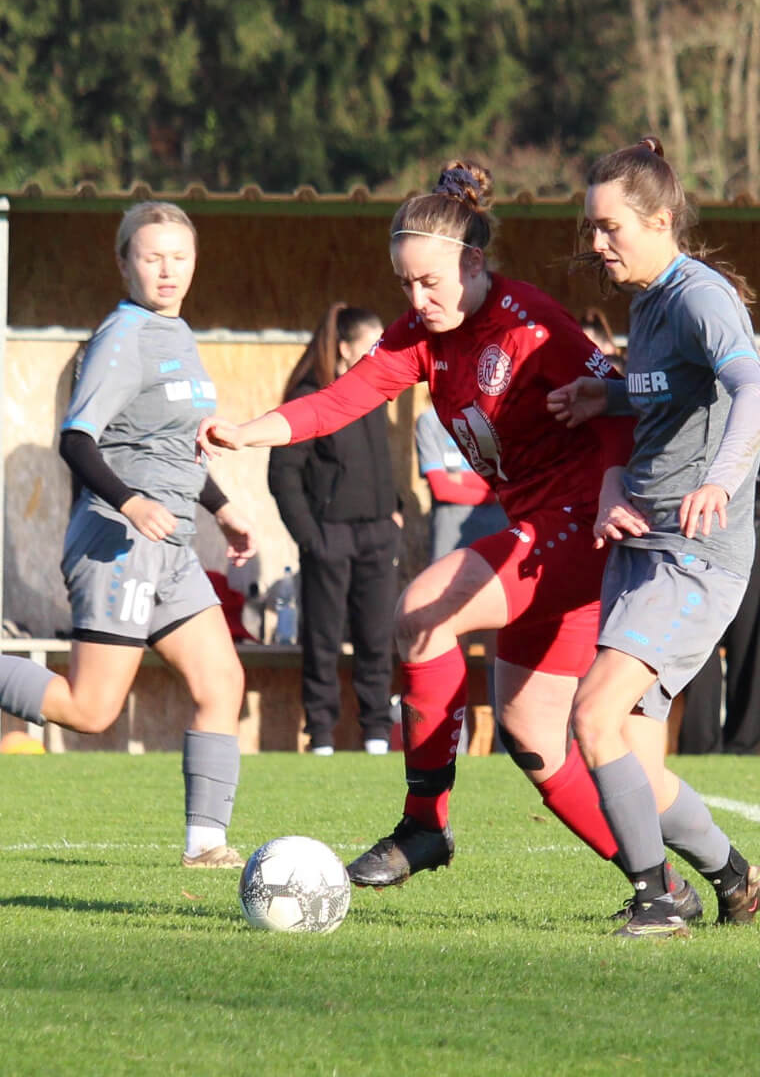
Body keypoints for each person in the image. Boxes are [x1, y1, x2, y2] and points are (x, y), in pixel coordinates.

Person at [199, 161, 644, 908]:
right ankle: (664, 882)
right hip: (537, 529)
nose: (417, 300)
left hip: (579, 529)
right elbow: (338, 400)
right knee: (532, 735)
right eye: (405, 284)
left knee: (421, 612)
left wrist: (611, 485)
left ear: (473, 263)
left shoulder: (531, 323)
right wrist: (249, 432)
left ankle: (424, 826)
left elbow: (620, 409)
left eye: (430, 282)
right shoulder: (419, 336)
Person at [0, 200, 255, 868]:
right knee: (90, 708)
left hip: (168, 547)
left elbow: (170, 449)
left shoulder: (178, 334)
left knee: (222, 681)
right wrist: (131, 502)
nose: (167, 270)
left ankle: (205, 846)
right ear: (124, 263)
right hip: (116, 541)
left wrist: (221, 507)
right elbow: (76, 441)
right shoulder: (122, 336)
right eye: (152, 257)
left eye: (179, 257)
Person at [549, 136, 760, 940]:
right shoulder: (647, 303)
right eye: (591, 227)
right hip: (641, 546)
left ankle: (658, 899)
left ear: (659, 221)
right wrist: (608, 395)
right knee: (639, 769)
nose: (596, 242)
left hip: (695, 552)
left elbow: (752, 392)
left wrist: (721, 479)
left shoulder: (699, 297)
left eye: (609, 226)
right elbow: (665, 394)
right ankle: (737, 881)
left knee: (592, 715)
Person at [267, 304, 401, 756]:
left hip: (376, 535)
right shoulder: (311, 395)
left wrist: (394, 510)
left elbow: (380, 461)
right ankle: (321, 735)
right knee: (322, 641)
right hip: (329, 537)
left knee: (376, 639)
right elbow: (283, 473)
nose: (380, 352)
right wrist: (312, 538)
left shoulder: (374, 393)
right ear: (345, 349)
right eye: (372, 345)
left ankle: (377, 734)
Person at [675, 428, 760, 755]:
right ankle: (700, 745)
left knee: (750, 644)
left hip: (750, 534)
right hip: (696, 537)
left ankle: (745, 746)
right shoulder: (686, 419)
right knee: (697, 642)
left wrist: (715, 481)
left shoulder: (746, 414)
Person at [413, 404, 508, 562]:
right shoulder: (430, 421)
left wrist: (462, 479)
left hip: (496, 530)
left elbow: (508, 479)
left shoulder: (497, 416)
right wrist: (495, 495)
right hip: (450, 537)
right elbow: (442, 489)